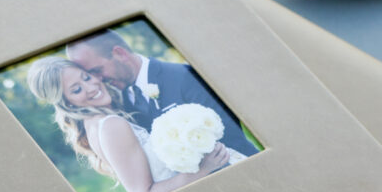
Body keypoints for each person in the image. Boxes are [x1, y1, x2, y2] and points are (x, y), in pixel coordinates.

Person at [26, 56, 230, 192]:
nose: (91, 87)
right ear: (65, 102)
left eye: (86, 77)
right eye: (76, 89)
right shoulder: (111, 125)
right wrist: (203, 169)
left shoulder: (95, 125)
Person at [67, 29, 257, 158]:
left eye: (98, 70)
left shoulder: (185, 77)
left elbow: (232, 138)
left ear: (120, 54)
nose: (98, 80)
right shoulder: (121, 100)